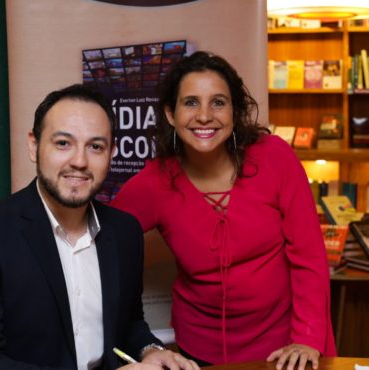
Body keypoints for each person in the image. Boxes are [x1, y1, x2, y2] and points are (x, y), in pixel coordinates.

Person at [110, 51, 337, 369]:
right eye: (190, 102)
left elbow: (309, 258)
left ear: (235, 111)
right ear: (171, 115)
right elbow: (102, 236)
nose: (204, 116)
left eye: (218, 102)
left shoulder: (275, 158)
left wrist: (306, 338)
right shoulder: (155, 182)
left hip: (284, 348)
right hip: (198, 351)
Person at [0, 84, 199, 370]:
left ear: (111, 153)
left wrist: (151, 350)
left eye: (95, 146)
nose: (79, 161)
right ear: (34, 145)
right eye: (63, 143)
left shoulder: (125, 231)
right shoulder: (3, 230)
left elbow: (128, 323)